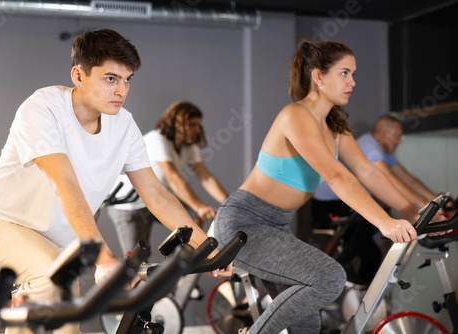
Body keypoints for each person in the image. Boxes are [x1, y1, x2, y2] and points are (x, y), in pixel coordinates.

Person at [0, 29, 231, 334]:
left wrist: (204, 247)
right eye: (110, 79)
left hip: (60, 244)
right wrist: (104, 257)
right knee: (50, 287)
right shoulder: (43, 108)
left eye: (127, 79)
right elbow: (65, 184)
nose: (121, 90)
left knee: (56, 322)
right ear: (79, 75)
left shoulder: (123, 125)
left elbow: (156, 193)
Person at [213, 40, 421, 334]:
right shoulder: (295, 115)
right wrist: (385, 222)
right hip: (245, 225)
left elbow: (367, 171)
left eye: (353, 74)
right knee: (330, 278)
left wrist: (414, 213)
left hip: (276, 226)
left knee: (307, 324)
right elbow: (338, 177)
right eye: (345, 73)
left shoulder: (334, 127)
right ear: (318, 76)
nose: (353, 82)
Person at [311, 114, 440, 283]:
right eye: (397, 135)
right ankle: (339, 266)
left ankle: (363, 300)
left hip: (347, 205)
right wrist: (422, 209)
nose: (400, 140)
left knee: (372, 255)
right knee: (377, 214)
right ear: (383, 134)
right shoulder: (369, 148)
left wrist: (434, 202)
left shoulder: (384, 152)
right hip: (327, 206)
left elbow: (407, 179)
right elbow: (390, 181)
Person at [107, 101, 228, 256]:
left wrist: (228, 202)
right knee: (137, 260)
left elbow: (205, 176)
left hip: (154, 199)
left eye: (198, 124)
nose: (197, 129)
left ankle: (182, 260)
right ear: (178, 124)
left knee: (192, 219)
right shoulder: (157, 140)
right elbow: (173, 178)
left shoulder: (188, 146)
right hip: (128, 206)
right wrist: (199, 206)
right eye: (192, 124)